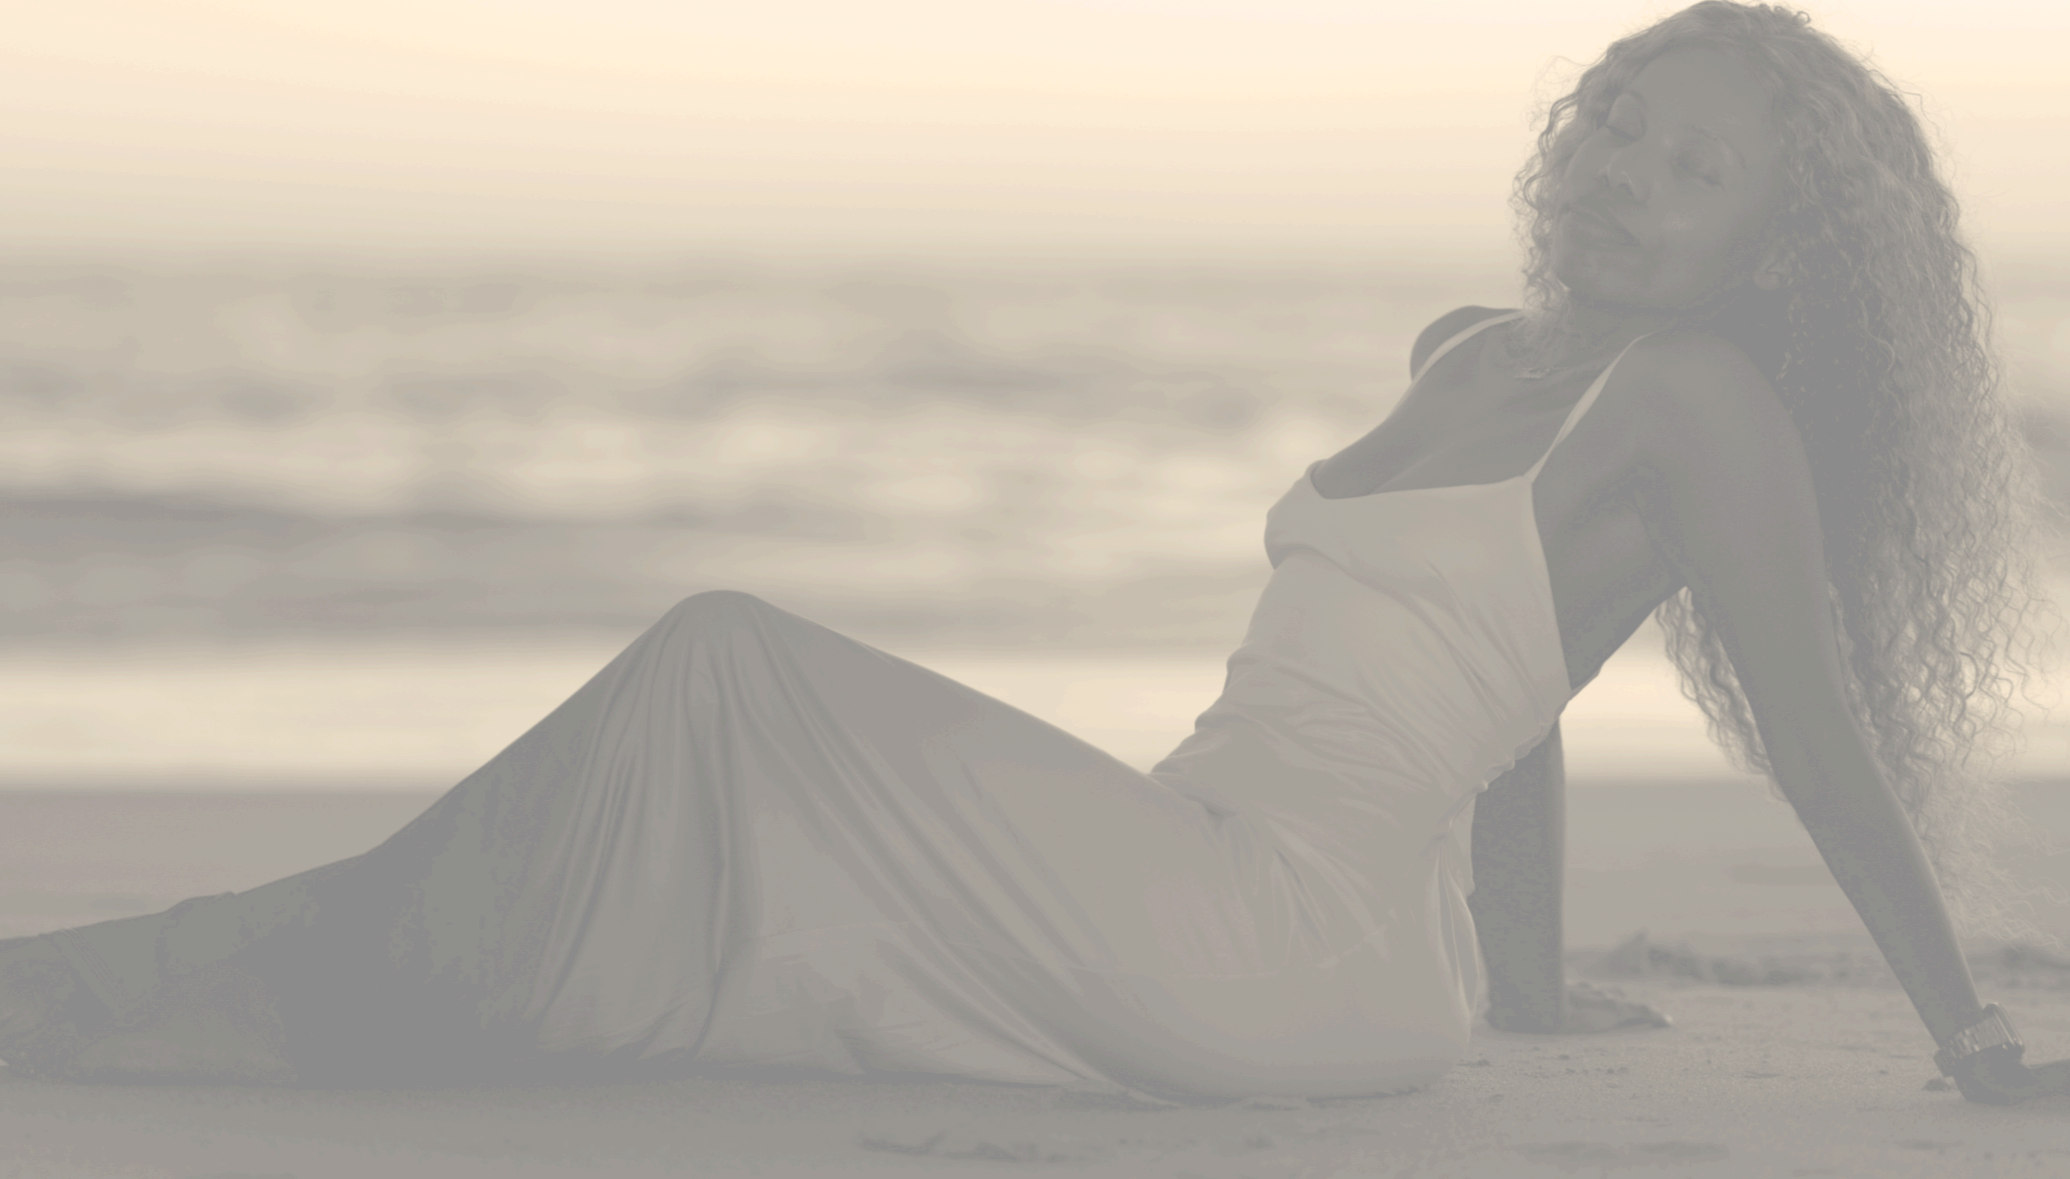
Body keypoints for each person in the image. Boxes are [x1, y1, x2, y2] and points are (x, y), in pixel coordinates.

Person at [2, 0, 2066, 1106]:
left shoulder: (1694, 404)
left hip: (1286, 943)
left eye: (1695, 169)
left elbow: (1815, 738)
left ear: (1769, 252)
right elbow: (1524, 681)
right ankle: (201, 979)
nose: (1627, 175)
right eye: (1618, 119)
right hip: (1234, 873)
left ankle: (186, 983)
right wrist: (1521, 990)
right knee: (712, 891)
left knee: (724, 665)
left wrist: (1963, 1034)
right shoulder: (1471, 350)